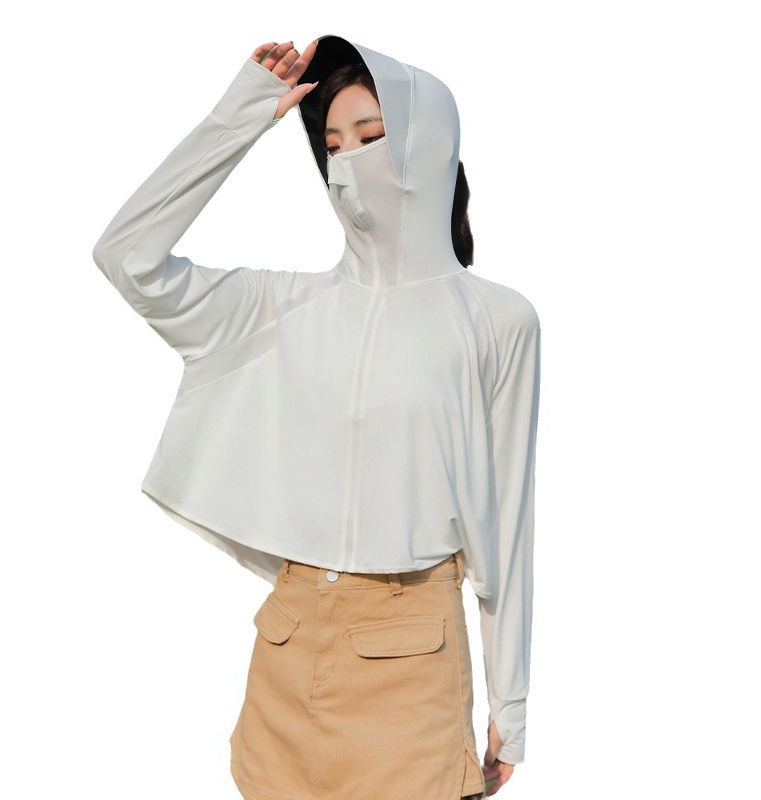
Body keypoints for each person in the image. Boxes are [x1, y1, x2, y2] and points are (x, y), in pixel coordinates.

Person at [92, 35, 541, 800]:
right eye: (331, 145)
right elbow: (126, 256)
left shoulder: (497, 321)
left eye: (371, 137)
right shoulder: (281, 308)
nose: (348, 163)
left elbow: (508, 528)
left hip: (414, 666)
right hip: (288, 644)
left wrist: (512, 707)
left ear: (430, 144)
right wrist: (241, 118)